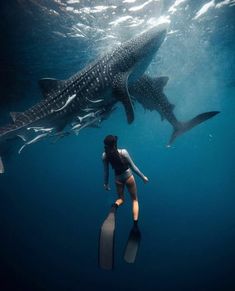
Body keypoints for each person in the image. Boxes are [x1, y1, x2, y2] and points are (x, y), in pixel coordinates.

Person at [102, 135, 148, 227]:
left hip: (118, 178)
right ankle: (135, 224)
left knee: (121, 199)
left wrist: (106, 184)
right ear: (115, 143)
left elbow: (106, 172)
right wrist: (143, 177)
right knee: (134, 200)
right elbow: (133, 167)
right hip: (128, 176)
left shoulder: (104, 156)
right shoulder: (123, 152)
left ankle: (114, 206)